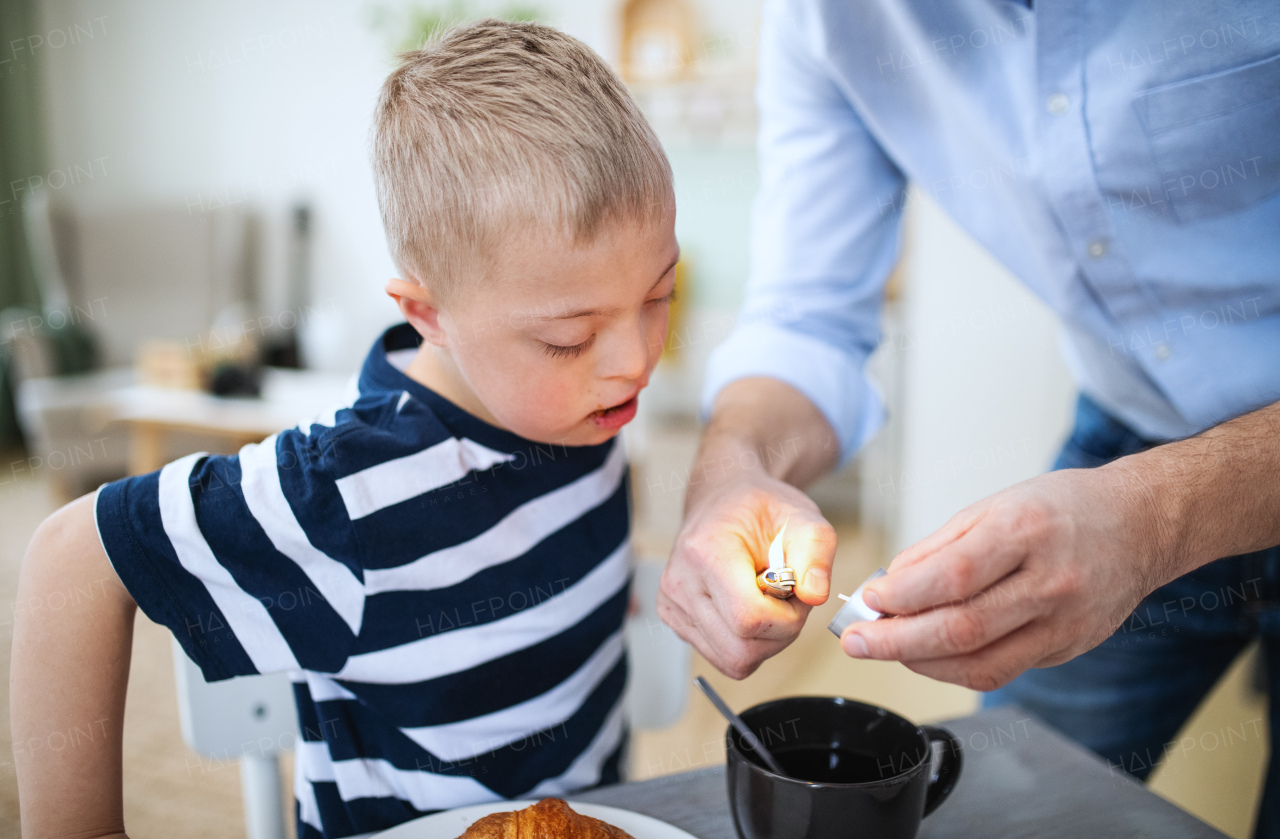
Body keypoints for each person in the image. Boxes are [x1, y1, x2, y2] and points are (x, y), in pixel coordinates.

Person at [11, 20, 677, 839]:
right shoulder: (341, 498)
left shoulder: (587, 405)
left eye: (660, 295)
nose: (636, 360)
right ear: (429, 314)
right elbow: (69, 556)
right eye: (570, 337)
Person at [657, 0, 1280, 829]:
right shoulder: (828, 21)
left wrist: (1162, 515)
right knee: (1004, 802)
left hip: (1170, 479)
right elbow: (805, 321)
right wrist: (733, 471)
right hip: (1131, 426)